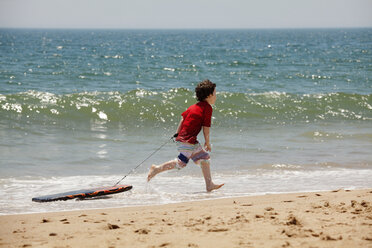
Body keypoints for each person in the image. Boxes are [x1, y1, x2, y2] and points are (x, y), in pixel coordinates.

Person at [147, 79, 224, 192]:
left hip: (186, 139)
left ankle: (209, 185)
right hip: (188, 140)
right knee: (181, 163)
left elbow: (182, 119)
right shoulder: (207, 108)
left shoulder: (193, 107)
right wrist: (207, 142)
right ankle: (156, 169)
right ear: (209, 95)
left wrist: (178, 134)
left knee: (204, 158)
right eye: (215, 94)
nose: (216, 96)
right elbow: (206, 127)